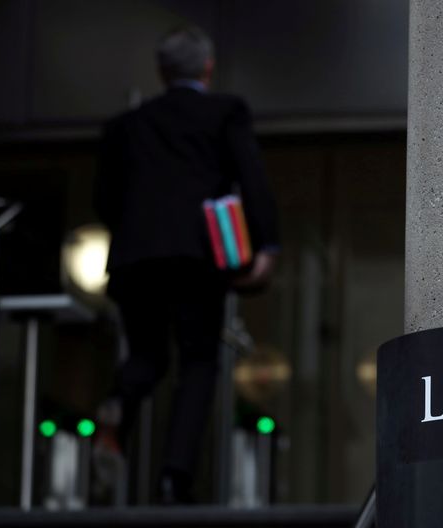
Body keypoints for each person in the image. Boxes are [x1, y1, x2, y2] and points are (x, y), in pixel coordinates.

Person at [93, 25, 279, 504]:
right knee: (198, 362)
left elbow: (104, 201)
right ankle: (173, 478)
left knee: (145, 356)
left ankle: (118, 403)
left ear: (161, 72)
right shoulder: (225, 111)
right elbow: (251, 179)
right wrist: (267, 247)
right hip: (197, 257)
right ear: (208, 68)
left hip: (136, 259)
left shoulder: (124, 127)